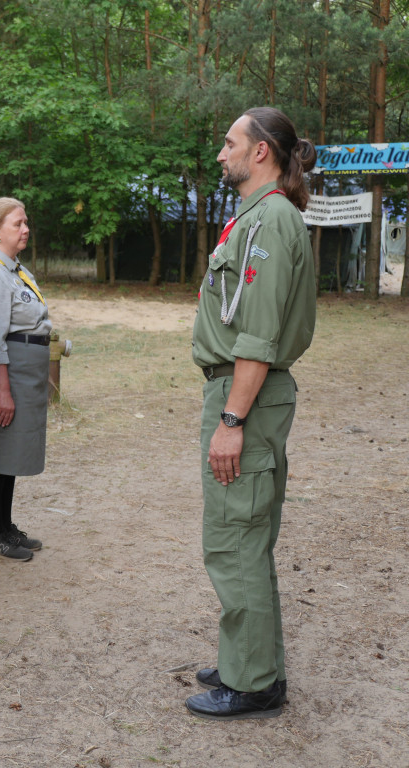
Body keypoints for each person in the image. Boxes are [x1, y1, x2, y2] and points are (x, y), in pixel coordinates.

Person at [184, 107, 316, 721]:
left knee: (237, 537)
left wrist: (232, 423)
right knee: (243, 535)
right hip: (242, 390)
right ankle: (250, 659)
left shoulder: (271, 221)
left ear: (260, 151)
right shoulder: (260, 217)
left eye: (229, 142)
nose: (221, 153)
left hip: (247, 396)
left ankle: (253, 682)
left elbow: (258, 334)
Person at [0, 197, 51, 562]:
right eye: (17, 223)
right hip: (8, 373)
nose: (25, 229)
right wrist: (3, 390)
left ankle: (6, 526)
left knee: (11, 451)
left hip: (23, 372)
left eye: (25, 221)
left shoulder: (13, 268)